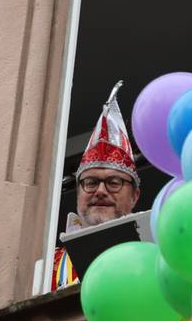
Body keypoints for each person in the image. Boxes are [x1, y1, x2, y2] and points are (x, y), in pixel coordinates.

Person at [53, 83, 141, 289]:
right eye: (91, 182)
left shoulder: (154, 255)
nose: (101, 191)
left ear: (135, 196)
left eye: (114, 182)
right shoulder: (50, 267)